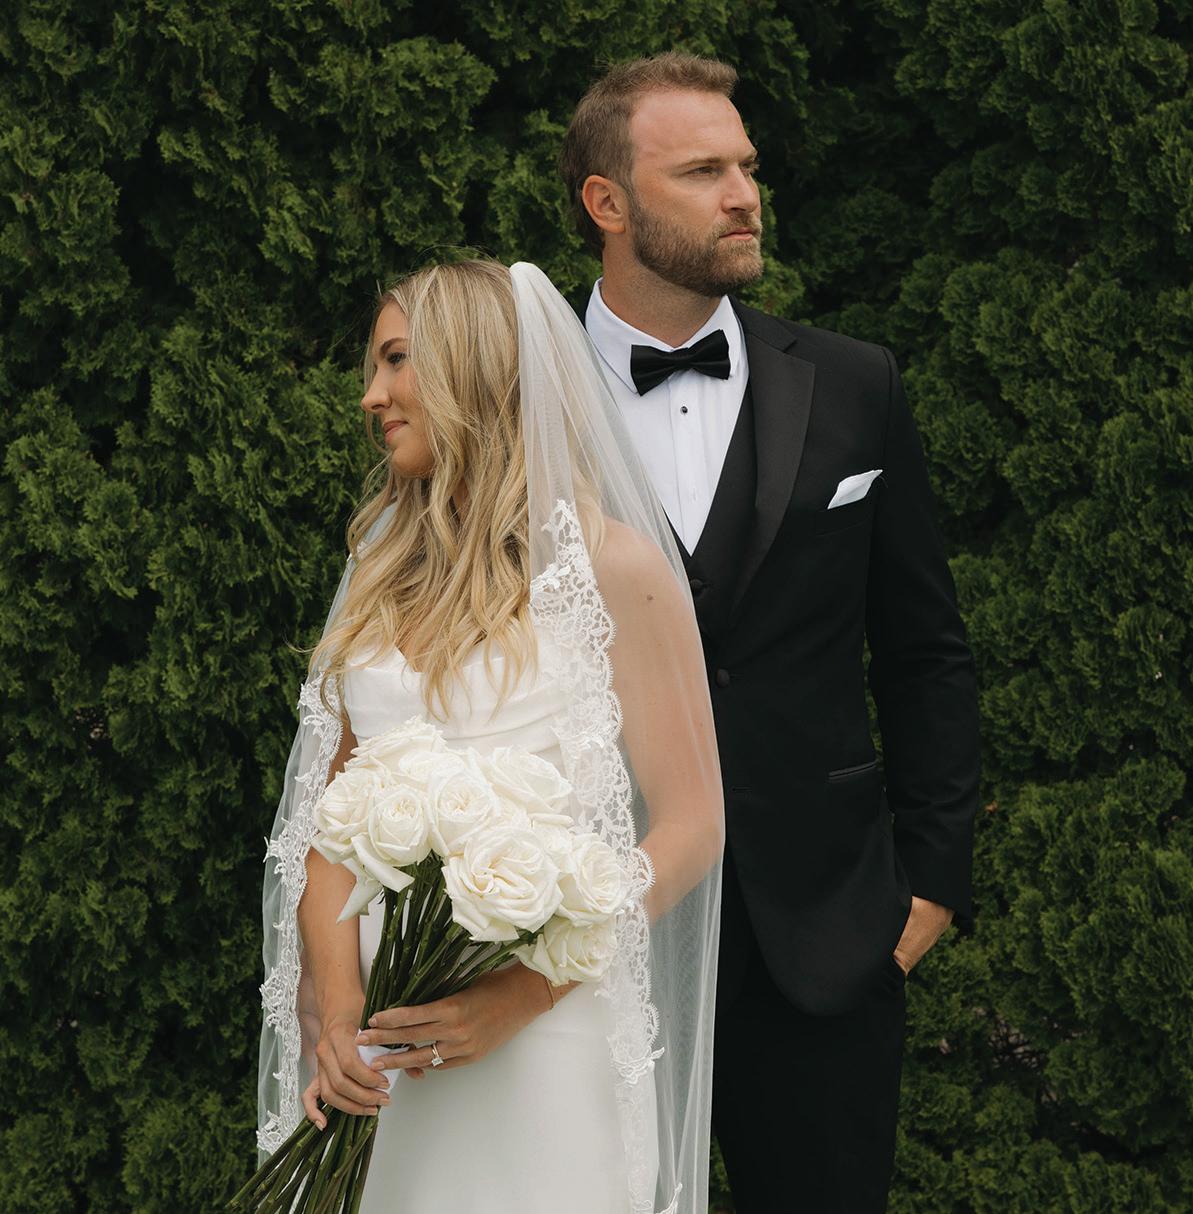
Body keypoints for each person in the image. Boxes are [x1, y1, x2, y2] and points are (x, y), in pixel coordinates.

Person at [560, 53, 981, 1213]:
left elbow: (924, 649)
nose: (744, 194)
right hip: (586, 946)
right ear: (607, 201)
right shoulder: (510, 400)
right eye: (702, 171)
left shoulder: (853, 384)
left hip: (825, 937)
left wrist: (926, 887)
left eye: (745, 166)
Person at [255, 258, 725, 1214]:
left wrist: (517, 996)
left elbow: (691, 826)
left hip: (542, 1040)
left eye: (395, 361)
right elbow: (327, 826)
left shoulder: (614, 570)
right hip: (381, 1046)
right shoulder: (379, 569)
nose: (370, 395)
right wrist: (339, 1014)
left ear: (470, 368)